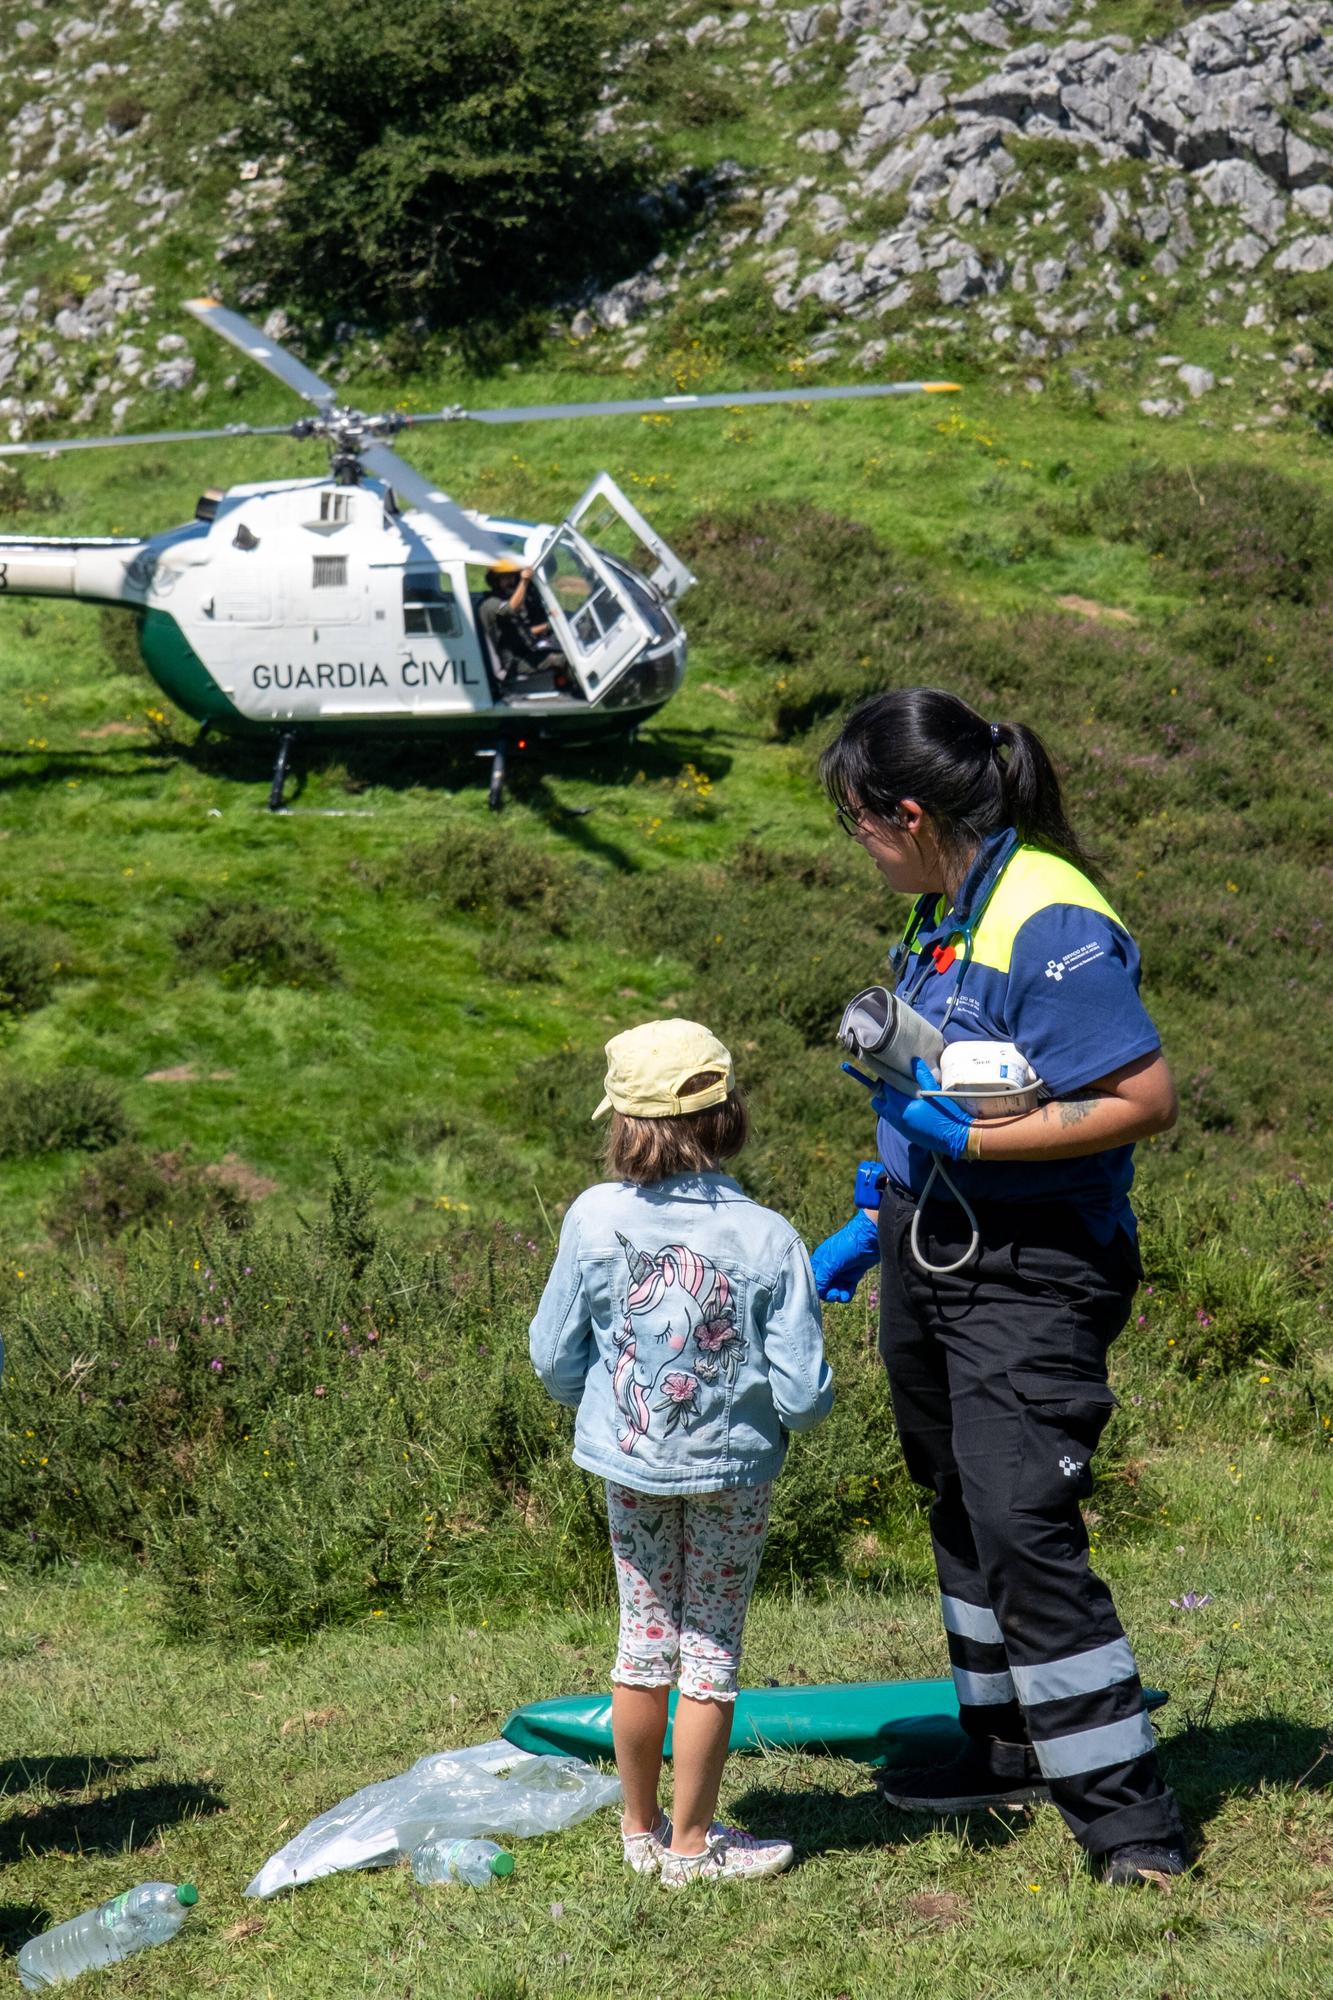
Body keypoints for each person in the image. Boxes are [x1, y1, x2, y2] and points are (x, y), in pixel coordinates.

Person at [812, 686, 1188, 1886]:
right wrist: (878, 1207)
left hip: (1030, 1265)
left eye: (858, 822)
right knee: (961, 1504)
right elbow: (940, 1072)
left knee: (1022, 1521)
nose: (858, 846)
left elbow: (1143, 1097)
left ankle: (1130, 1825)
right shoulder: (939, 909)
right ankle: (1006, 1746)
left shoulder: (1047, 916)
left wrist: (978, 1143)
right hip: (932, 1244)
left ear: (909, 815)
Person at [529, 1018, 833, 1887]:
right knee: (708, 1651)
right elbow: (805, 1398)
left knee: (642, 1641)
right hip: (732, 1473)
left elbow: (553, 1356)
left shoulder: (592, 1216)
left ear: (623, 1123)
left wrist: (597, 1408)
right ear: (726, 1115)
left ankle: (639, 1829)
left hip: (626, 1464)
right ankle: (692, 1846)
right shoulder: (769, 1236)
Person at [477, 558, 564, 688]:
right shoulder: (490, 604)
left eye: (512, 576)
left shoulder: (505, 599)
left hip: (528, 651)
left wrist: (550, 623)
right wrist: (524, 581)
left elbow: (525, 631)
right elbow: (510, 608)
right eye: (505, 577)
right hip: (515, 662)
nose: (511, 581)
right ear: (495, 580)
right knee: (561, 659)